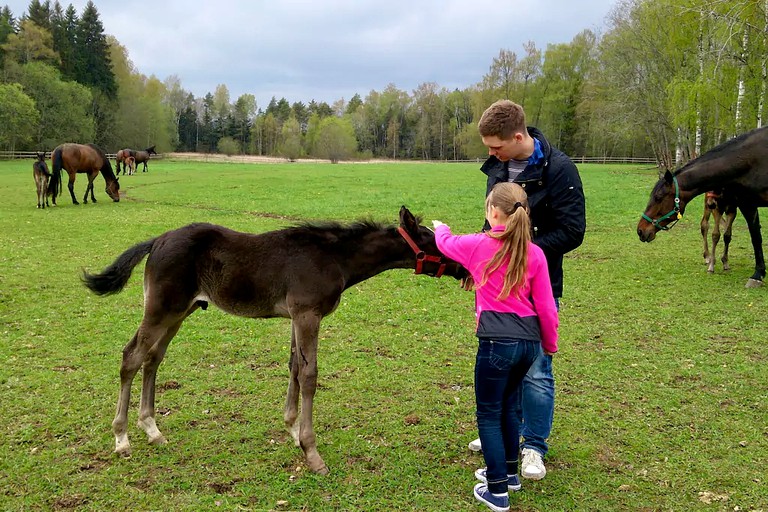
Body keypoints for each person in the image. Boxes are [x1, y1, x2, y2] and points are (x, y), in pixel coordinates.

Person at [467, 99, 586, 482]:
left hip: (538, 286)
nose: (490, 154)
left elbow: (573, 231)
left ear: (518, 136)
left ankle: (533, 445)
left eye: (495, 146)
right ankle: (507, 433)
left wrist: (521, 252)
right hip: (497, 288)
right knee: (504, 362)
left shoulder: (560, 169)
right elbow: (492, 220)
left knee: (535, 370)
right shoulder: (499, 168)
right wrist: (482, 257)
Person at [432, 182, 559, 512]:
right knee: (508, 407)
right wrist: (550, 343)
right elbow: (546, 307)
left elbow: (444, 244)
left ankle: (497, 490)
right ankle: (510, 474)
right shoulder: (536, 253)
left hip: (496, 345)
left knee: (488, 414)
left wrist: (440, 227)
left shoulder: (477, 245)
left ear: (492, 213)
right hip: (529, 345)